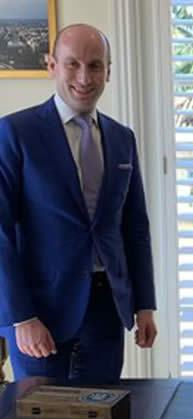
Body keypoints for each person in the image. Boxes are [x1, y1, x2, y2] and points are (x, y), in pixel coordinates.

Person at [0, 24, 156, 382]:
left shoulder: (122, 138)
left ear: (108, 72)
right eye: (73, 64)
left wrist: (145, 304)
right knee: (42, 416)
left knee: (104, 413)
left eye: (95, 65)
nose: (85, 77)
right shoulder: (15, 133)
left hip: (107, 310)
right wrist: (20, 317)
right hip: (40, 314)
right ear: (52, 66)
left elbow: (135, 226)